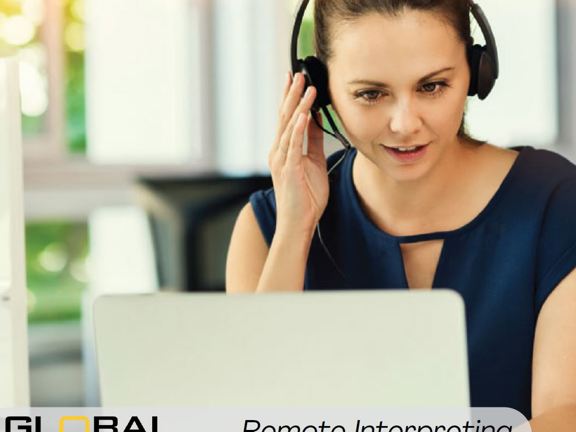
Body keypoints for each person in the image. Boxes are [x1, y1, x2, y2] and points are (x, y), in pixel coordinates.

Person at [226, 0, 576, 428]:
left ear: (475, 72)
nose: (405, 123)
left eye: (431, 87)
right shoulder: (264, 230)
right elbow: (253, 413)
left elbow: (565, 413)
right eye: (371, 94)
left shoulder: (555, 203)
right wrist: (294, 230)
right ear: (317, 90)